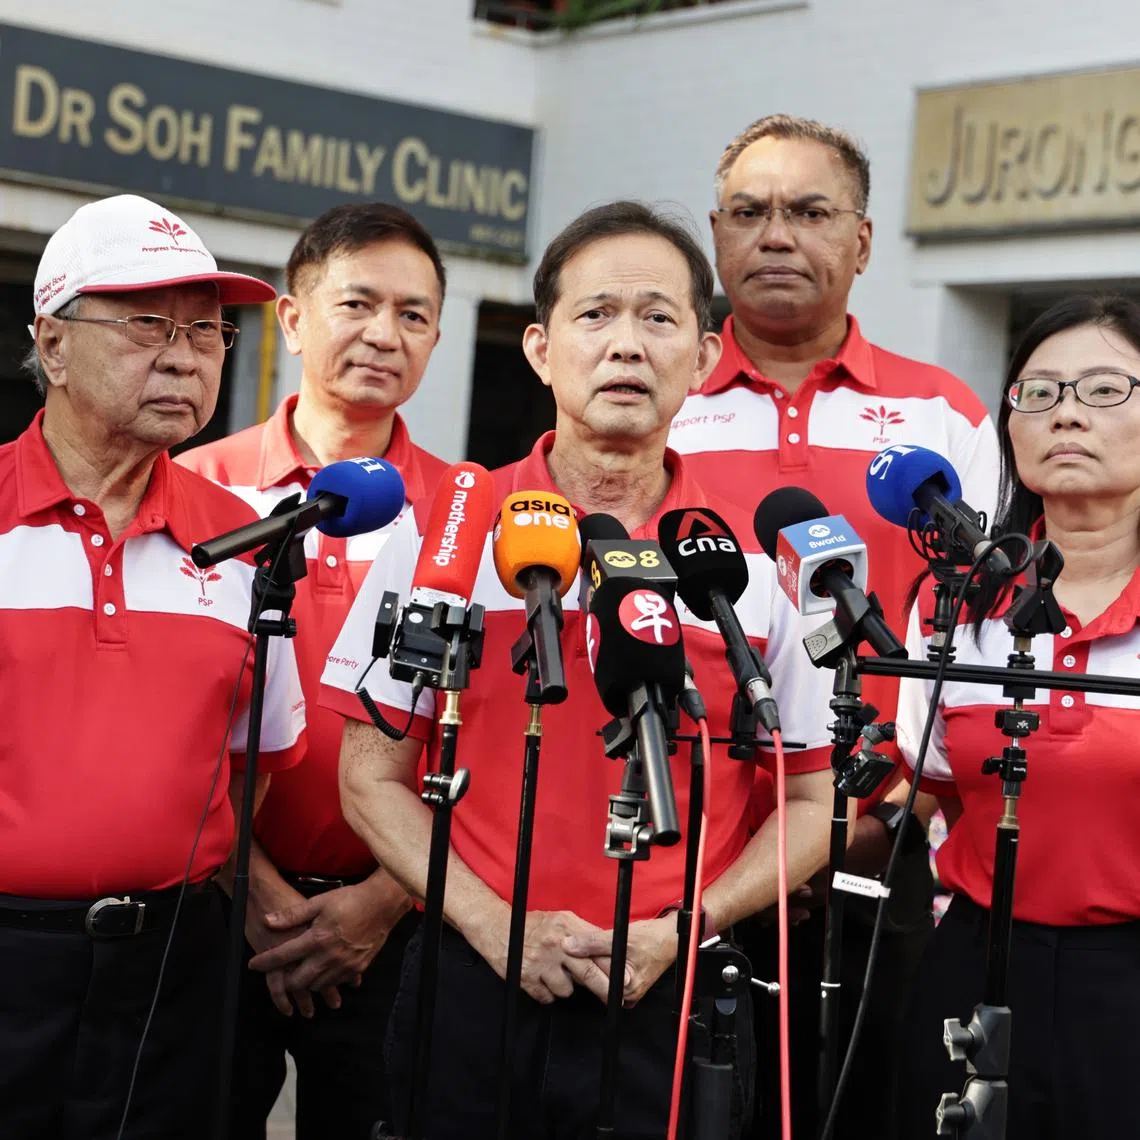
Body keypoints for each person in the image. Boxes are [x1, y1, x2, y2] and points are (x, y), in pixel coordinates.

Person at [320, 201, 839, 1140]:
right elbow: (369, 776)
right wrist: (492, 925)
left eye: (658, 318)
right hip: (470, 983)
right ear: (539, 349)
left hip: (678, 994)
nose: (626, 347)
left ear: (708, 355)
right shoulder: (442, 531)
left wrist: (684, 928)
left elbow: (811, 803)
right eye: (595, 316)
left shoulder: (758, 562)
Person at [666, 113, 1002, 1138]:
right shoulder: (660, 393)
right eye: (749, 212)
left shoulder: (943, 415)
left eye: (808, 211)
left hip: (880, 836)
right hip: (689, 842)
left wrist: (873, 806)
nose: (776, 236)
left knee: (866, 1109)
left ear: (860, 242)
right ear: (716, 238)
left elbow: (979, 637)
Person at [0, 193, 306, 1139]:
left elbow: (262, 754)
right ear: (53, 345)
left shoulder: (253, 543)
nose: (184, 356)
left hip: (175, 969)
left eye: (208, 332)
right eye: (146, 326)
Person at [179, 202, 449, 1139]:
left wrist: (382, 903)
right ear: (292, 320)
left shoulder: (469, 516)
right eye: (357, 304)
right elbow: (174, 729)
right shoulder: (199, 494)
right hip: (216, 917)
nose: (384, 334)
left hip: (399, 928)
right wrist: (249, 890)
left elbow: (484, 744)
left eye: (413, 315)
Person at [896, 293, 1140, 1139]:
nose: (1066, 413)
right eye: (1038, 393)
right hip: (974, 959)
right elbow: (927, 789)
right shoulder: (956, 602)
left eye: (1105, 390)